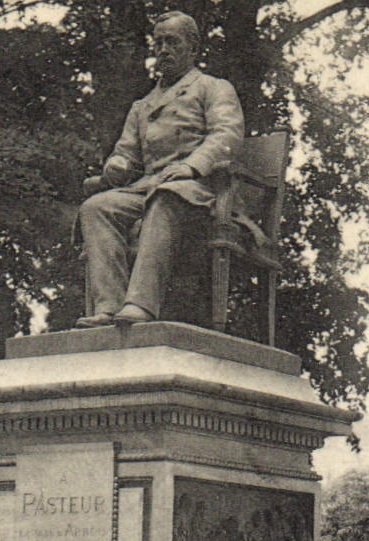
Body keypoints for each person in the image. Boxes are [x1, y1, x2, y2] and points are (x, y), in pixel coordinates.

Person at [76, 11, 244, 328]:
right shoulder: (142, 105)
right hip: (149, 188)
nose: (163, 50)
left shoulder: (213, 88)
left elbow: (227, 135)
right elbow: (126, 153)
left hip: (200, 191)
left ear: (193, 48)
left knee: (166, 194)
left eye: (172, 42)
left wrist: (191, 167)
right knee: (96, 206)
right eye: (158, 43)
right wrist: (117, 166)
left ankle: (140, 305)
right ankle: (109, 306)